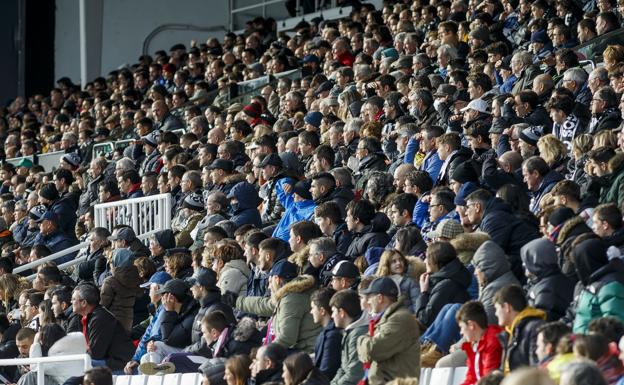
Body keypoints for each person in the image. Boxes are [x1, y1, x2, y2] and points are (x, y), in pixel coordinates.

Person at [236, 259, 320, 352]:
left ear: (277, 279)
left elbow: (287, 337)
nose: (269, 286)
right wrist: (237, 301)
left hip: (307, 353)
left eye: (270, 282)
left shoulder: (291, 299)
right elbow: (264, 304)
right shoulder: (289, 295)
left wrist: (264, 353)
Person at [356, 277, 421, 385]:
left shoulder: (399, 319)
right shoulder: (387, 319)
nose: (368, 301)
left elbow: (372, 350)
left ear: (380, 298)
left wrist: (361, 339)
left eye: (370, 297)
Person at [71, 283, 135, 371]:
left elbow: (95, 354)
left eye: (74, 299)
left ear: (84, 303)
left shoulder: (100, 318)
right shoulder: (89, 317)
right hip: (109, 360)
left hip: (120, 364)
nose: (71, 302)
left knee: (80, 365)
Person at [415, 241, 471, 327]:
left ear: (435, 262)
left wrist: (423, 292)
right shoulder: (459, 272)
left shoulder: (445, 286)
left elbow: (424, 320)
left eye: (427, 257)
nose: (425, 261)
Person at [494, 284, 546, 372]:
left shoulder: (534, 328)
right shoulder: (508, 332)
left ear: (507, 307)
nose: (496, 313)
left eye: (497, 308)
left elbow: (535, 371)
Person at [456, 301, 503, 385]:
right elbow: (471, 378)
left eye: (461, 327)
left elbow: (488, 381)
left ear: (471, 325)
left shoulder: (492, 340)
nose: (461, 332)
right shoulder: (473, 345)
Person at [330, 289, 367, 385]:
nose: (332, 316)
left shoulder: (358, 334)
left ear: (342, 312)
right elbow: (343, 368)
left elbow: (354, 375)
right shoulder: (350, 332)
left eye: (333, 311)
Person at [310, 287, 342, 380]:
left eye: (313, 308)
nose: (311, 312)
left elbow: (326, 372)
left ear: (322, 311)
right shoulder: (328, 332)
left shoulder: (332, 336)